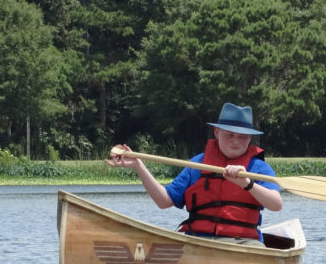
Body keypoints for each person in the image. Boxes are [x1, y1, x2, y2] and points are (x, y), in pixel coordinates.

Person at [107, 103, 282, 244]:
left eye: (242, 137)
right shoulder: (198, 164)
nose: (236, 141)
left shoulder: (259, 168)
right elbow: (164, 201)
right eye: (229, 135)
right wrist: (138, 166)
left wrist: (247, 183)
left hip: (243, 242)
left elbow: (276, 204)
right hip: (198, 240)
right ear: (217, 132)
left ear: (249, 138)